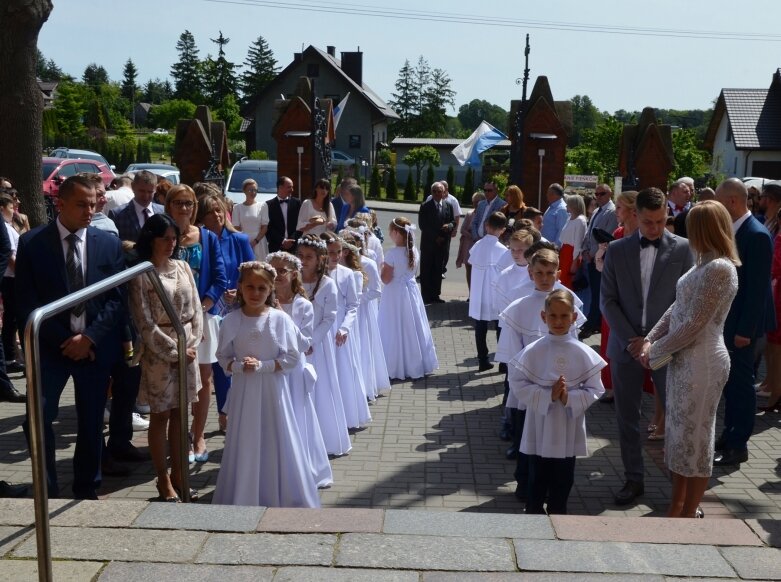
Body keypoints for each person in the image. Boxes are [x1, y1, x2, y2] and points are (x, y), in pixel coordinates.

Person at [16, 174, 125, 499]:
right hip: (51, 349)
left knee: (91, 421)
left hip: (93, 349)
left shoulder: (108, 243)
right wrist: (65, 340)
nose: (89, 211)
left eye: (93, 204)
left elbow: (117, 299)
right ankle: (46, 487)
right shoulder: (33, 244)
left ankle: (86, 488)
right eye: (81, 204)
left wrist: (89, 338)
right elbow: (26, 302)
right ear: (59, 204)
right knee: (37, 417)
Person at [640, 200, 739, 518]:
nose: (686, 233)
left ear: (705, 229)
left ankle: (688, 509)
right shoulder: (702, 264)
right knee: (680, 436)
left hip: (703, 362)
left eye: (692, 227)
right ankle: (677, 505)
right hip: (683, 359)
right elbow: (676, 309)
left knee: (696, 437)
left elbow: (695, 324)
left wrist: (654, 352)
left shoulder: (721, 268)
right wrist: (650, 338)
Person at [600, 187, 694, 506]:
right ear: (635, 216)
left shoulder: (683, 249)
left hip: (666, 346)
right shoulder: (616, 250)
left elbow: (685, 303)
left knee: (677, 416)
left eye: (660, 221)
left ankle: (679, 488)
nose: (654, 228)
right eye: (648, 222)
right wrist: (632, 340)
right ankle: (634, 479)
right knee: (627, 416)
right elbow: (608, 301)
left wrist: (654, 340)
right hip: (625, 346)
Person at [212, 261, 320, 508]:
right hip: (243, 391)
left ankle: (278, 492)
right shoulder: (230, 320)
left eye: (262, 288)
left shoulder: (279, 319)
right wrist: (240, 367)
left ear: (271, 289)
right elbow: (223, 357)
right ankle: (243, 493)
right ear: (240, 287)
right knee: (246, 437)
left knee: (275, 436)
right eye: (250, 287)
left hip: (272, 391)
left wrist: (264, 366)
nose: (255, 293)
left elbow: (292, 357)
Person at [510, 289, 606, 514]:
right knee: (537, 473)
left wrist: (568, 397)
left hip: (567, 424)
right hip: (540, 423)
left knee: (563, 476)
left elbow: (595, 388)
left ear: (574, 317)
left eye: (564, 316)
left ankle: (558, 512)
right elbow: (518, 383)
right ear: (544, 317)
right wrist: (547, 395)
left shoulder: (583, 352)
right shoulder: (533, 351)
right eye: (553, 316)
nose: (559, 321)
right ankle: (533, 511)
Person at [129, 214, 203, 502]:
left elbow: (196, 310)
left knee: (180, 414)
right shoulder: (142, 273)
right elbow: (144, 322)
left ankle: (180, 474)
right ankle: (162, 479)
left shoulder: (183, 267)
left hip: (188, 349)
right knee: (160, 415)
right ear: (152, 239)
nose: (171, 243)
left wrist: (192, 342)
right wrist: (174, 350)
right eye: (165, 238)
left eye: (175, 238)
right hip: (160, 352)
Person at [713, 178, 775, 466]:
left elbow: (757, 290)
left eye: (719, 201)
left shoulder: (756, 235)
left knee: (740, 385)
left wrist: (745, 332)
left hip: (741, 328)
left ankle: (739, 444)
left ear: (733, 202)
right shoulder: (736, 230)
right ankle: (730, 432)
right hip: (729, 323)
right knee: (730, 383)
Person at [166, 185, 228, 464]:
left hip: (202, 317)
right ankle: (175, 437)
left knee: (204, 380)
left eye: (189, 203)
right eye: (178, 203)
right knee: (174, 380)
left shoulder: (207, 237)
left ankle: (198, 434)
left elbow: (219, 277)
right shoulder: (162, 235)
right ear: (168, 206)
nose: (184, 208)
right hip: (168, 319)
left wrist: (201, 310)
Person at [268, 251, 333, 488]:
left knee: (296, 416)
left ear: (294, 273)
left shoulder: (303, 305)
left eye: (282, 271)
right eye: (272, 271)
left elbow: (305, 344)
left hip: (293, 371)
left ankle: (299, 469)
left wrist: (281, 314)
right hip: (269, 370)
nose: (276, 276)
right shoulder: (263, 300)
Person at [197, 194, 255, 433]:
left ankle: (226, 413)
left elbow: (254, 274)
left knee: (227, 366)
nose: (217, 216)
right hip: (208, 309)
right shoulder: (200, 241)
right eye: (211, 212)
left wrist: (240, 292)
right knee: (209, 365)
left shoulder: (239, 239)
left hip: (234, 309)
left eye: (220, 211)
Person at [296, 235, 351, 456]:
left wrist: (312, 341)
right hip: (296, 341)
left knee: (321, 387)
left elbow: (329, 317)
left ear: (320, 259)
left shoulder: (328, 284)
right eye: (300, 256)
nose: (303, 260)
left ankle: (324, 439)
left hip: (318, 343)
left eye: (309, 257)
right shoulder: (294, 279)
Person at [321, 232, 371, 429]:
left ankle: (347, 414)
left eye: (338, 252)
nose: (335, 256)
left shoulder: (347, 274)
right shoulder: (317, 274)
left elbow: (353, 305)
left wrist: (344, 328)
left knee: (343, 370)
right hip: (322, 326)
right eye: (330, 252)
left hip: (339, 326)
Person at [378, 217, 438, 380]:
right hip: (411, 292)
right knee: (412, 325)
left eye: (391, 231)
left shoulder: (392, 254)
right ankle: (416, 361)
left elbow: (386, 279)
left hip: (395, 293)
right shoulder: (414, 250)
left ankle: (395, 365)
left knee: (394, 326)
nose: (389, 234)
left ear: (396, 233)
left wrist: (380, 269)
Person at [468, 211, 507, 371]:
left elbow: (471, 261)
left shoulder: (477, 245)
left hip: (479, 294)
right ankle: (503, 362)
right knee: (500, 326)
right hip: (495, 294)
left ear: (486, 225)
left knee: (480, 326)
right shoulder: (503, 249)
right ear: (503, 230)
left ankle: (483, 360)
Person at [580, 184, 618, 339]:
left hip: (601, 258)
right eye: (596, 194)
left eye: (601, 194)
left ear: (609, 194)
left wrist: (594, 253)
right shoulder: (596, 210)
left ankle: (593, 323)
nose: (598, 196)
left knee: (598, 293)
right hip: (591, 258)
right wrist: (585, 250)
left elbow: (607, 236)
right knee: (594, 291)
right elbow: (589, 233)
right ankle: (593, 321)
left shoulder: (612, 211)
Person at [418, 181, 456, 304]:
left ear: (444, 192)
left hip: (442, 245)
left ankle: (435, 295)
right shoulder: (425, 206)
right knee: (426, 270)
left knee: (437, 270)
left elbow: (453, 221)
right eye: (434, 191)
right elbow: (423, 225)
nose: (437, 193)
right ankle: (425, 296)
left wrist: (450, 225)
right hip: (428, 244)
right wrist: (436, 237)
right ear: (431, 192)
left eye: (439, 191)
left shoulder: (448, 205)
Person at [108, 171, 164, 243]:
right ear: (133, 186)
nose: (146, 196)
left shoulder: (163, 211)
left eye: (150, 192)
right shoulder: (117, 214)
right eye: (142, 191)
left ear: (155, 189)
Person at [456, 191, 485, 295]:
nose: (475, 204)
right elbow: (462, 230)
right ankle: (471, 294)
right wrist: (471, 235)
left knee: (478, 272)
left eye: (478, 202)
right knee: (469, 270)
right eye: (474, 202)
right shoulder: (469, 214)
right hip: (468, 246)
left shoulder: (485, 214)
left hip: (480, 247)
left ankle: (478, 294)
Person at [232, 178, 267, 260]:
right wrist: (245, 243)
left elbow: (264, 227)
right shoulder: (237, 207)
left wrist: (255, 241)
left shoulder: (263, 206)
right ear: (244, 191)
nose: (253, 192)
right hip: (244, 242)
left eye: (255, 190)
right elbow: (236, 227)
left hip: (259, 242)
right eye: (250, 190)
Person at [266, 176, 302, 254]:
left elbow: (300, 224)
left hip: (294, 246)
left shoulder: (297, 203)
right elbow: (268, 227)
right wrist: (282, 241)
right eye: (289, 187)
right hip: (276, 246)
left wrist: (291, 240)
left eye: (292, 187)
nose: (292, 190)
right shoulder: (268, 205)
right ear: (280, 187)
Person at [558, 194, 587, 290]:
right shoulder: (569, 217)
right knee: (561, 280)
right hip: (564, 252)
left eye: (568, 204)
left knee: (566, 282)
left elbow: (578, 243)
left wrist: (574, 262)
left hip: (571, 254)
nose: (566, 206)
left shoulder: (580, 220)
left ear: (574, 206)